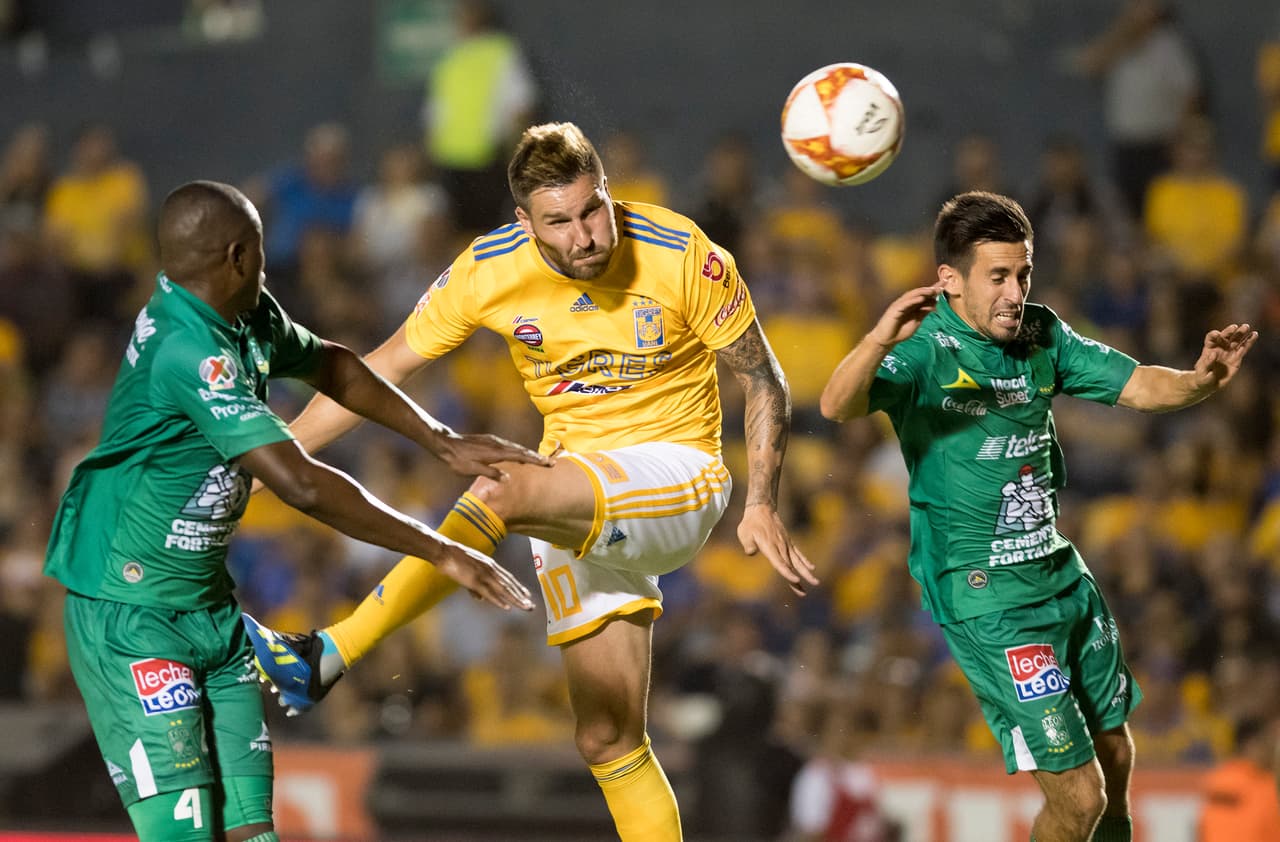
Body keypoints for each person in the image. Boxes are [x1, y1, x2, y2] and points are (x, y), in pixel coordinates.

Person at [246, 121, 817, 841]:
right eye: (560, 222)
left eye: (592, 210)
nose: (585, 236)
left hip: (678, 474)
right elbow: (379, 369)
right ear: (524, 222)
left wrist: (761, 500)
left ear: (605, 191)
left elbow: (762, 376)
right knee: (607, 738)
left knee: (501, 485)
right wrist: (273, 456)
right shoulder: (489, 270)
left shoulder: (683, 256)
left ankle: (328, 654)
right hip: (572, 486)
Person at [42, 180, 545, 842]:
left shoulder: (236, 312)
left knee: (255, 834)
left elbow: (332, 366)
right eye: (260, 249)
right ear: (238, 257)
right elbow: (300, 485)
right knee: (187, 835)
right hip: (130, 612)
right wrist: (439, 548)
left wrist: (440, 440)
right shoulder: (191, 351)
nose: (268, 262)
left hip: (208, 608)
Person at [818, 191, 1257, 842]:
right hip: (986, 597)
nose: (1015, 292)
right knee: (1078, 799)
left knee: (1116, 755)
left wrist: (1201, 380)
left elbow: (1138, 384)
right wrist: (881, 336)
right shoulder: (925, 349)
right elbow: (836, 405)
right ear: (950, 279)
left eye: (1023, 274)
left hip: (1058, 573)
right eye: (998, 276)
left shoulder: (1042, 334)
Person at [1198, 717, 1280, 842]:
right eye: (1269, 744)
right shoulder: (1265, 786)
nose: (1272, 751)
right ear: (1253, 746)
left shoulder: (1216, 781)